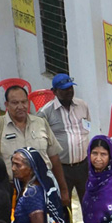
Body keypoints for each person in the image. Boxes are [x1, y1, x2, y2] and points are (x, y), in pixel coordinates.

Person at [0, 84, 68, 199]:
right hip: (12, 192)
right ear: (6, 105)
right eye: (15, 103)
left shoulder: (40, 123)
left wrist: (63, 189)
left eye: (24, 102)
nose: (21, 106)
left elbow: (54, 157)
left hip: (43, 187)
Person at [38, 74, 92, 213]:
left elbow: (87, 128)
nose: (69, 91)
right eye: (64, 89)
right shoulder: (45, 113)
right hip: (62, 169)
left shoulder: (82, 105)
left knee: (89, 204)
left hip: (83, 165)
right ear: (54, 91)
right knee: (63, 206)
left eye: (70, 88)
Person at [11, 147, 68, 223]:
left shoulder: (32, 194)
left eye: (18, 165)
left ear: (32, 169)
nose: (13, 168)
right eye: (12, 164)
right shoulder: (28, 189)